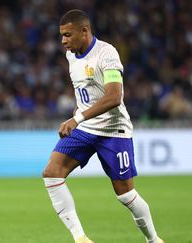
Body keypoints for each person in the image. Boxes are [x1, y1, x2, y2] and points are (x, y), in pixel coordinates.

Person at [42, 9, 164, 243]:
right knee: (51, 173)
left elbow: (113, 97)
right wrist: (78, 116)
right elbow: (85, 92)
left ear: (84, 31)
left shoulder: (107, 54)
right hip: (86, 129)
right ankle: (80, 238)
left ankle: (153, 239)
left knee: (126, 194)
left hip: (113, 131)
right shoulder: (70, 56)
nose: (63, 41)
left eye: (67, 35)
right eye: (61, 35)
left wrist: (76, 118)